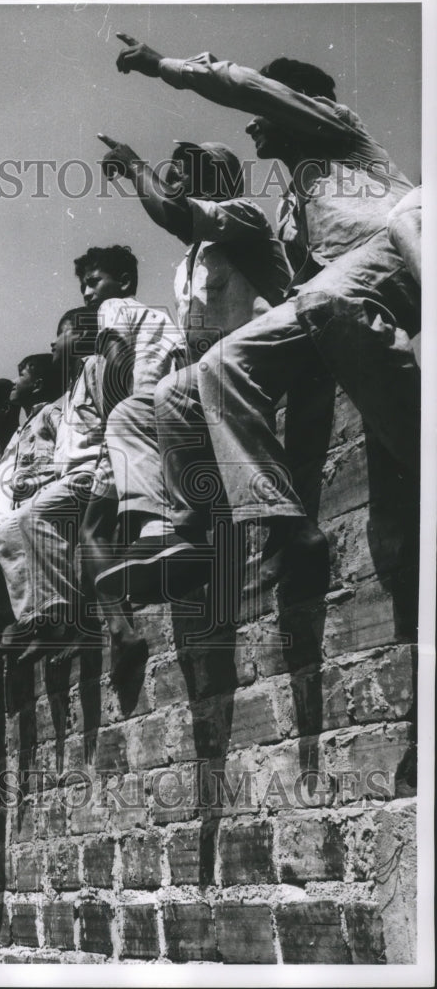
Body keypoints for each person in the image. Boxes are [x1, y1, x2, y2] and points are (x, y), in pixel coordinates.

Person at [104, 38, 419, 602]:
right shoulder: (289, 209)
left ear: (293, 102)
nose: (252, 127)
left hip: (392, 260)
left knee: (323, 300)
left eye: (263, 114)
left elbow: (248, 88)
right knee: (210, 372)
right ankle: (283, 525)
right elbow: (298, 289)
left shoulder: (345, 136)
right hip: (328, 301)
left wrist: (163, 67)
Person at [91, 139, 295, 603]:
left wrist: (134, 163)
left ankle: (226, 520)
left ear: (218, 178)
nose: (174, 178)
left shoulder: (243, 217)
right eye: (173, 169)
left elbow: (177, 214)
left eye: (187, 170)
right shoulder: (188, 265)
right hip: (212, 372)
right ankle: (165, 530)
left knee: (177, 390)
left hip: (267, 353)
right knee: (130, 415)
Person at [72, 244, 186, 679]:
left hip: (136, 415)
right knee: (97, 524)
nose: (87, 292)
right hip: (160, 409)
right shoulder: (157, 318)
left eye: (94, 281)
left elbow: (119, 357)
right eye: (83, 284)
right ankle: (121, 623)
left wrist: (116, 426)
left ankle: (120, 628)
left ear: (122, 282)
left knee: (92, 527)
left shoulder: (115, 307)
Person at [0, 307, 104, 663]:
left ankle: (60, 617)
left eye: (62, 332)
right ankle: (37, 619)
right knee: (10, 526)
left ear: (83, 336)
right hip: (74, 477)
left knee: (35, 515)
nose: (53, 341)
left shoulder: (96, 369)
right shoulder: (71, 390)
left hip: (92, 474)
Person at [0, 358, 63, 655]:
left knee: (8, 528)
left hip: (34, 514)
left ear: (5, 408)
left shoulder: (29, 434)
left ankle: (28, 622)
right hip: (4, 530)